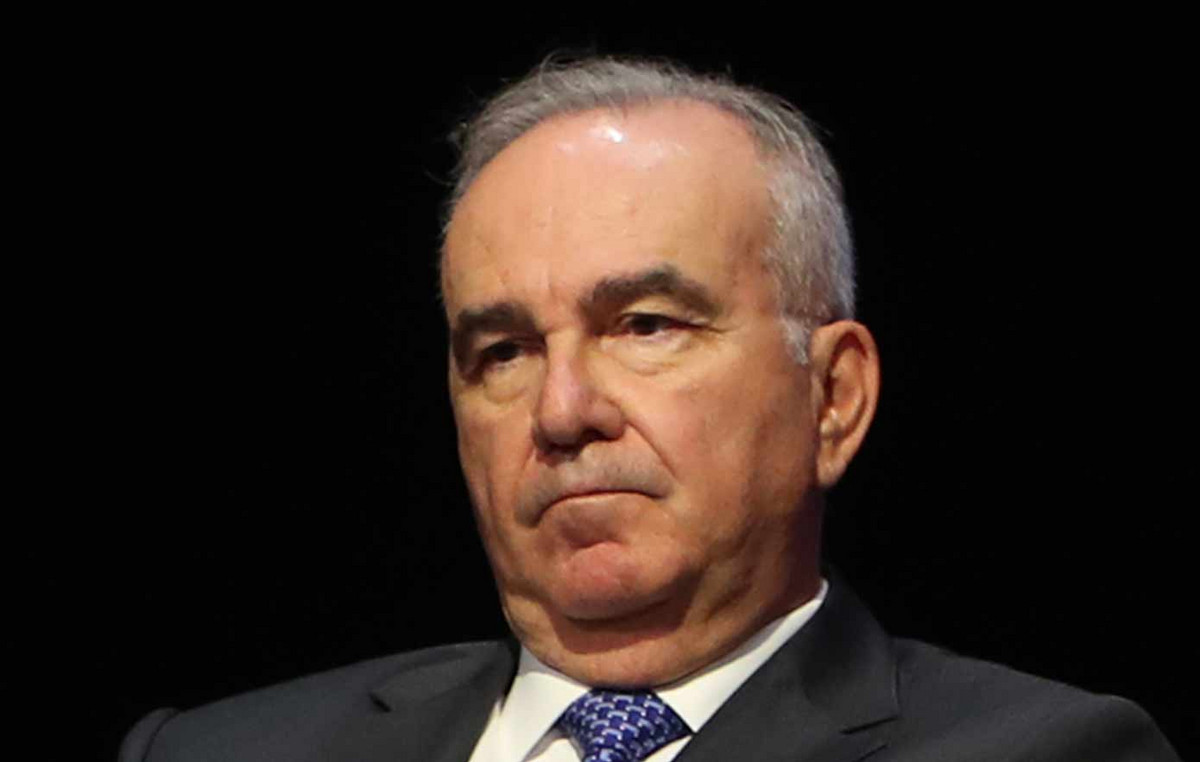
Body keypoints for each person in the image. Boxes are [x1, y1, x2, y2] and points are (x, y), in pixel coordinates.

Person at [120, 56, 1180, 762]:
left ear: (833, 398)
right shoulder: (211, 752)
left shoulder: (1046, 752)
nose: (563, 411)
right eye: (504, 351)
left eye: (645, 325)